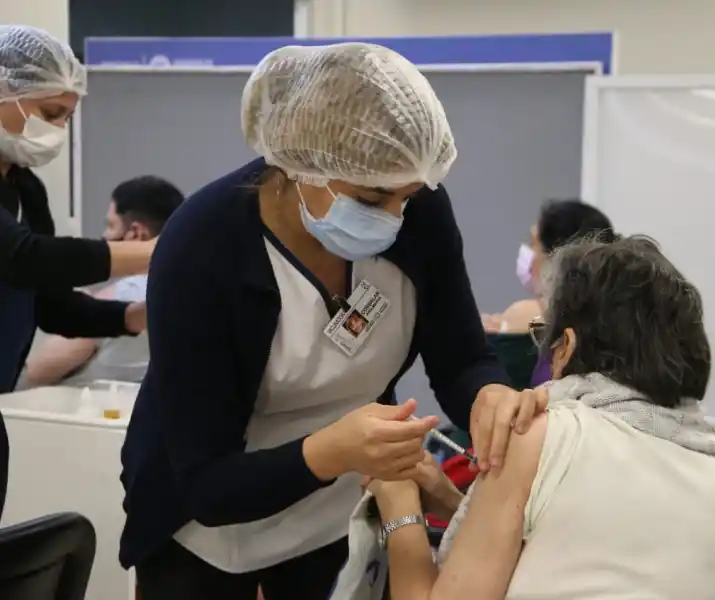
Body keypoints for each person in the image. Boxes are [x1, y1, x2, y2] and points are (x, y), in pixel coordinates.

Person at [120, 43, 546, 600]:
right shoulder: (202, 248)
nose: (396, 217)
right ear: (303, 166)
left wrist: (489, 394)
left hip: (340, 517)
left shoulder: (416, 212)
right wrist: (331, 450)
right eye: (373, 198)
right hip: (207, 534)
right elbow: (206, 484)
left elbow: (462, 357)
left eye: (408, 197)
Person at [366, 235, 715, 600]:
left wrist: (398, 503)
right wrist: (452, 501)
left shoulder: (543, 435)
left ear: (565, 346)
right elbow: (575, 551)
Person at [0, 25, 152, 520]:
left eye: (67, 118)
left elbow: (51, 302)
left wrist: (132, 316)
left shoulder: (26, 190)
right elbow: (27, 257)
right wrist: (155, 252)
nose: (59, 131)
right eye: (50, 115)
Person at [23, 176, 184, 387]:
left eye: (110, 225)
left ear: (137, 234)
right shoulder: (184, 296)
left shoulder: (116, 296)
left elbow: (34, 373)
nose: (104, 235)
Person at [482, 198, 617, 337]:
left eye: (533, 243)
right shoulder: (617, 319)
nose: (527, 252)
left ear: (556, 257)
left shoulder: (529, 316)